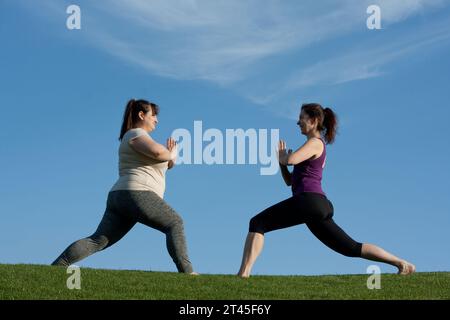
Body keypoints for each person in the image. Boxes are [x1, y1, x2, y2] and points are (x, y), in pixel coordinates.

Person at [237, 103, 415, 277]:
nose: (298, 122)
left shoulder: (315, 143)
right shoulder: (311, 146)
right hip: (316, 206)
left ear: (314, 121)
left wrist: (284, 157)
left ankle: (243, 274)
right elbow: (290, 181)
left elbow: (291, 159)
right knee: (351, 248)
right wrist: (281, 163)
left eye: (301, 118)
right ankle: (402, 264)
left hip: (309, 201)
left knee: (258, 223)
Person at [52, 98, 197, 274]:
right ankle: (188, 272)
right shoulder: (135, 134)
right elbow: (159, 153)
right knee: (175, 222)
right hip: (136, 193)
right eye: (153, 115)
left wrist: (171, 156)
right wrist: (170, 152)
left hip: (123, 196)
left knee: (98, 241)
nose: (156, 120)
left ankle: (56, 268)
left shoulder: (140, 138)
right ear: (141, 115)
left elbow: (164, 161)